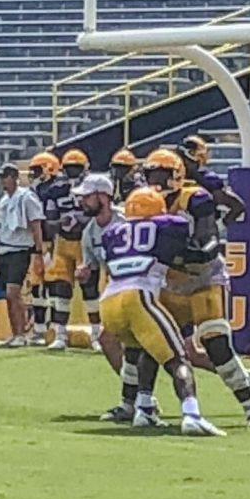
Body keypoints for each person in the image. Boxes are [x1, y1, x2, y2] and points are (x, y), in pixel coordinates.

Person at [144, 148, 250, 427]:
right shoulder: (146, 203)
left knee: (216, 343)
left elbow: (207, 244)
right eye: (151, 174)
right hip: (170, 283)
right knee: (150, 341)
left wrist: (180, 254)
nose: (155, 181)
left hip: (203, 278)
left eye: (161, 174)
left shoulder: (195, 198)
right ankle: (139, 405)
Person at [99, 187, 225, 436]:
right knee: (178, 359)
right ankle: (192, 414)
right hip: (139, 296)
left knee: (146, 350)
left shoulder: (112, 232)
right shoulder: (167, 226)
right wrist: (210, 250)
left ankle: (143, 409)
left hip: (109, 304)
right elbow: (193, 256)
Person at [74, 173, 137, 422]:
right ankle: (137, 398)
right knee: (110, 341)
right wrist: (83, 271)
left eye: (87, 197)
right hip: (121, 294)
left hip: (149, 290)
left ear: (103, 196)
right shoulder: (89, 232)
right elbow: (89, 265)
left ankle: (242, 381)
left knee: (187, 352)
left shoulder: (128, 219)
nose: (82, 202)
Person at [42, 148, 99, 351]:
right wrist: (62, 222)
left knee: (90, 290)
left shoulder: (93, 187)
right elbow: (48, 222)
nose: (73, 172)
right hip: (64, 243)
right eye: (69, 168)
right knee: (61, 290)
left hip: (86, 243)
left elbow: (98, 214)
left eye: (77, 167)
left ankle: (97, 335)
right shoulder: (55, 190)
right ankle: (60, 334)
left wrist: (82, 222)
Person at [0, 162, 45, 347]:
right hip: (5, 249)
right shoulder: (4, 200)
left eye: (6, 176)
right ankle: (16, 332)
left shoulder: (26, 197)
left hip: (20, 249)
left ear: (14, 177)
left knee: (13, 292)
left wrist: (38, 250)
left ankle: (22, 333)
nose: (3, 181)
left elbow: (35, 224)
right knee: (8, 295)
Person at [26, 151, 61, 345]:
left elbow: (48, 220)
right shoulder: (37, 191)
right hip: (37, 244)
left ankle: (54, 330)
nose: (33, 174)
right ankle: (40, 329)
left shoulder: (53, 190)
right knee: (37, 287)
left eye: (37, 169)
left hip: (52, 242)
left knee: (54, 286)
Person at [178, 135, 245, 223]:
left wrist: (221, 224)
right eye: (197, 155)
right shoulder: (169, 176)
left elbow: (237, 206)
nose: (199, 160)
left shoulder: (207, 180)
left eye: (200, 156)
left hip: (202, 231)